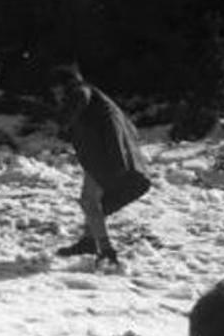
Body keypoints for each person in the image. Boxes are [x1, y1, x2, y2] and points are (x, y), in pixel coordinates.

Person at [48, 65, 150, 266]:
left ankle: (106, 250)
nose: (55, 93)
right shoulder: (94, 96)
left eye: (56, 88)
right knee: (91, 200)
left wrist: (62, 120)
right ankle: (89, 241)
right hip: (101, 156)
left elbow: (75, 105)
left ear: (64, 85)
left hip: (106, 158)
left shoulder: (80, 92)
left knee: (90, 202)